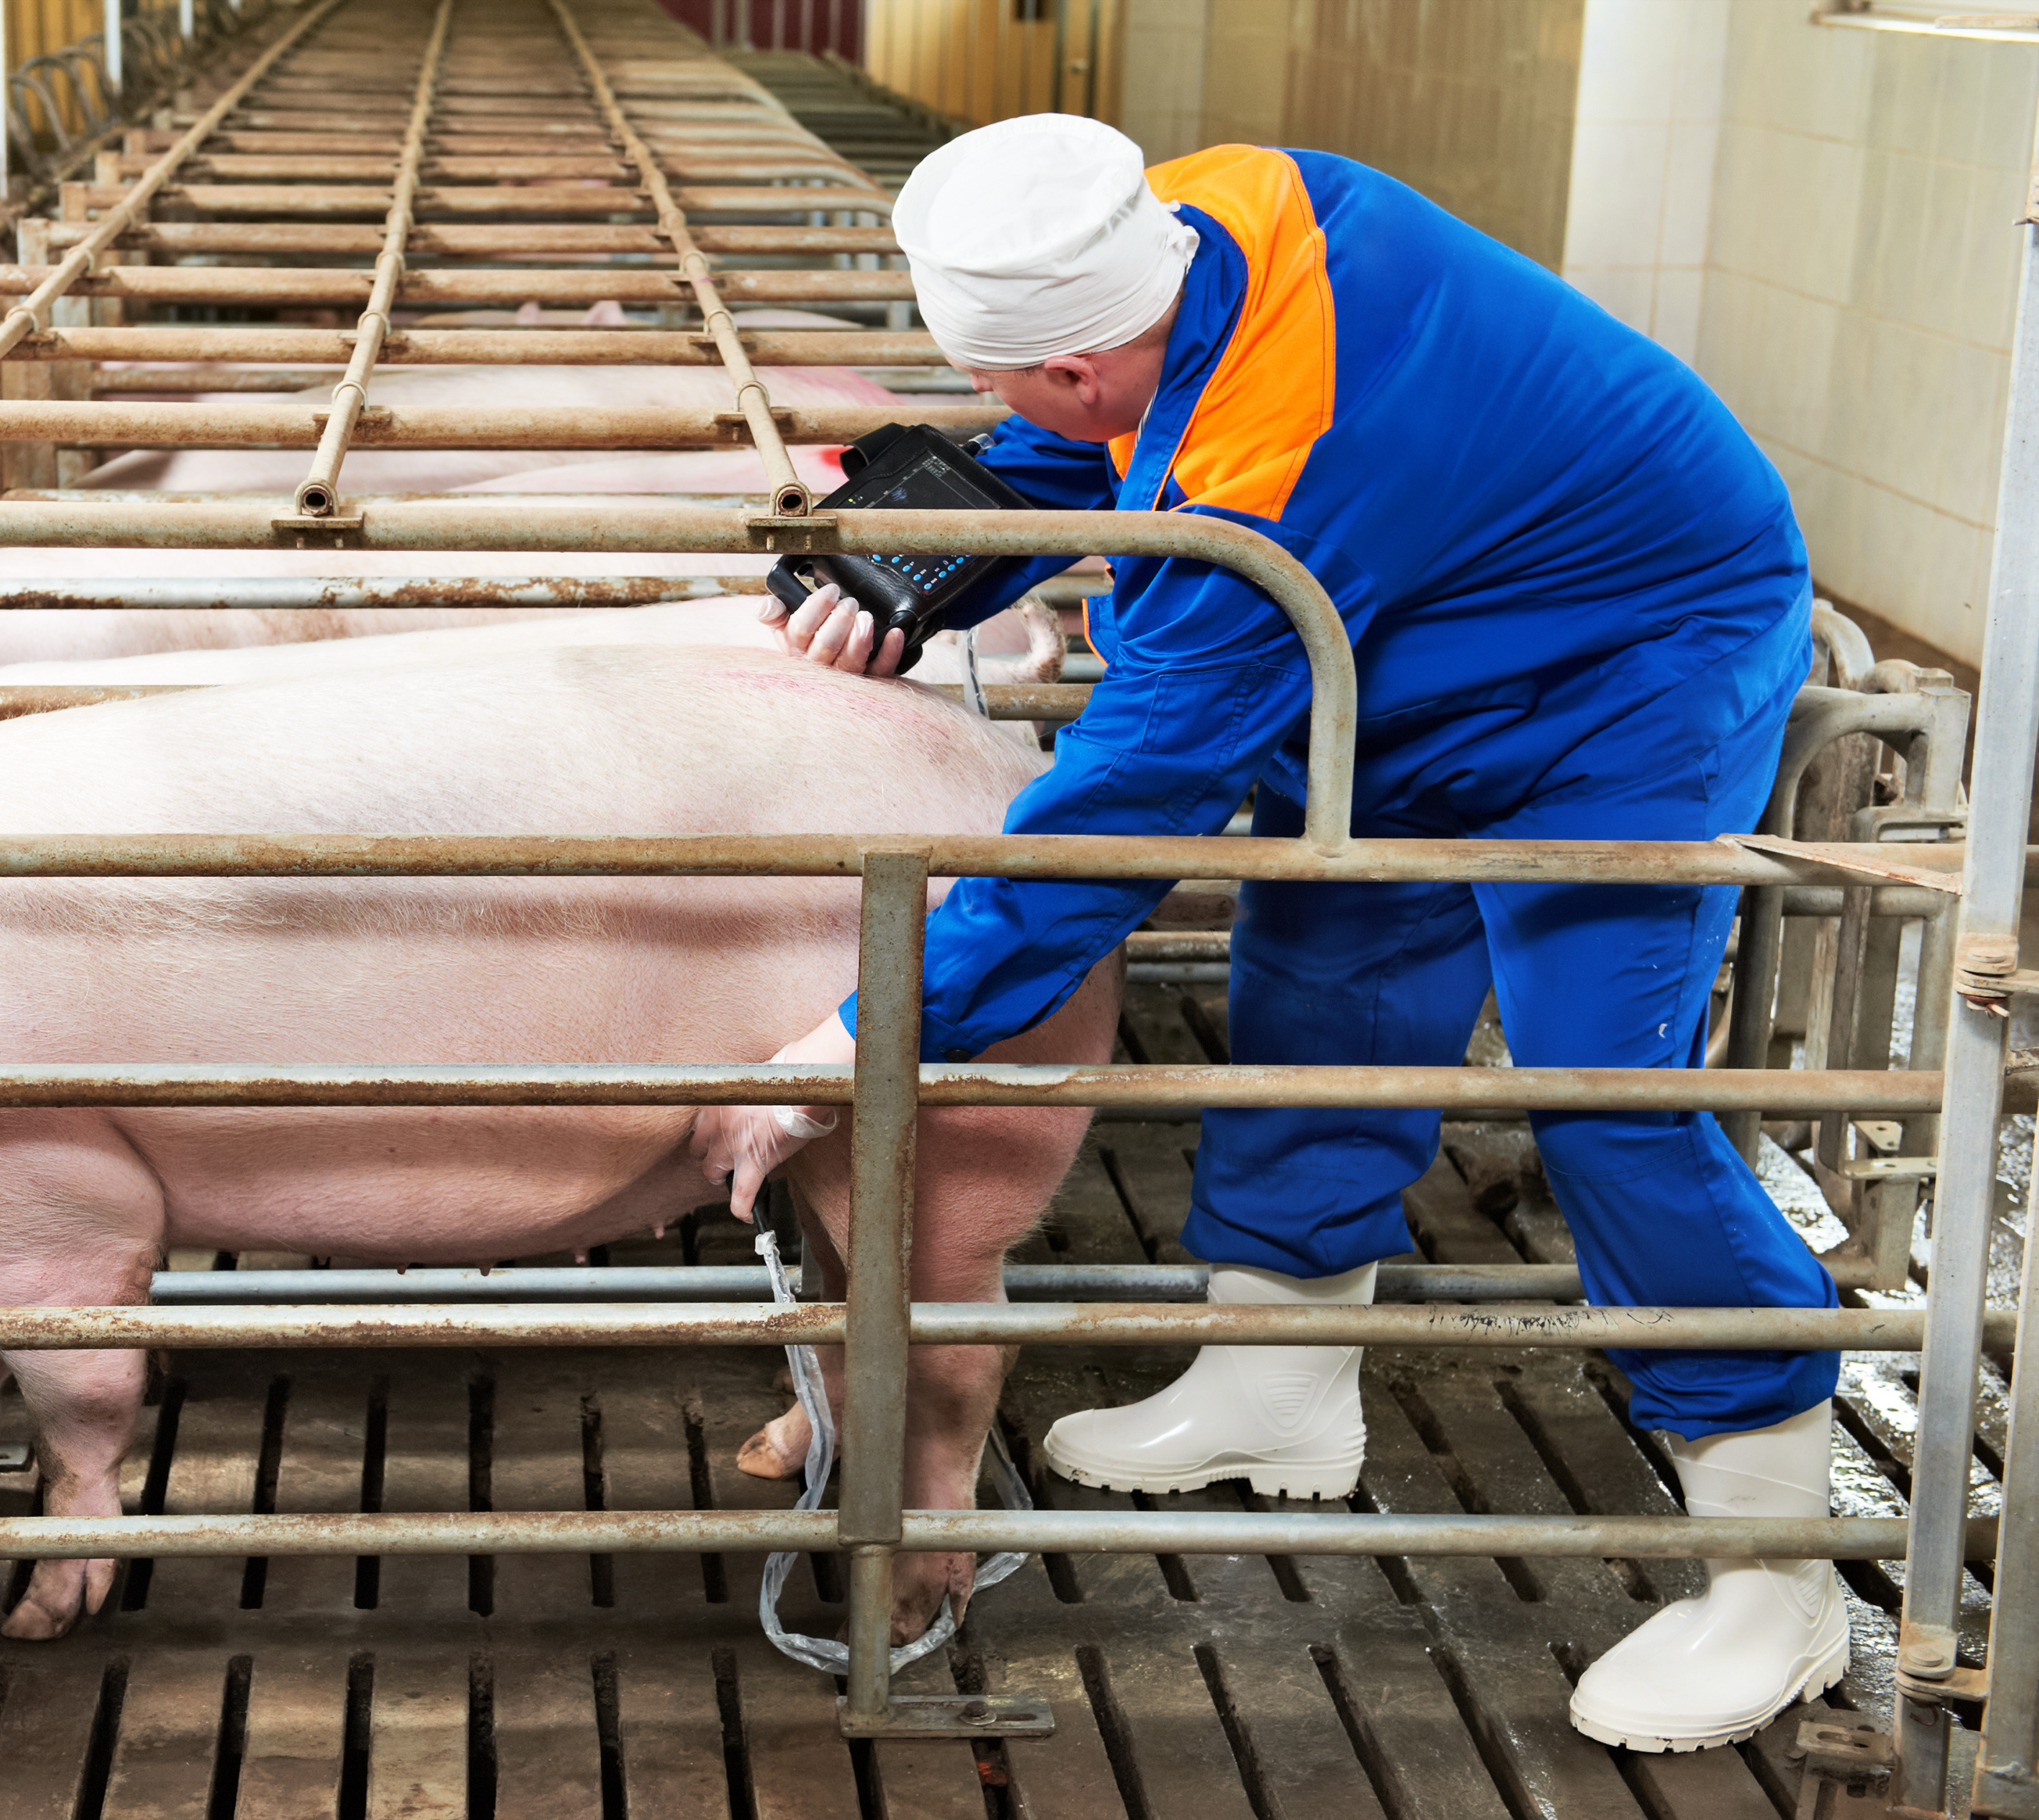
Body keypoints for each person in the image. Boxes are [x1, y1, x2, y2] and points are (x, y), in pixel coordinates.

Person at [689, 115, 1846, 1755]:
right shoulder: (1221, 204)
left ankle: (1772, 1558)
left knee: (1605, 1084)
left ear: (1074, 368)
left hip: (1630, 655)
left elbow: (1106, 830)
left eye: (1020, 389)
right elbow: (1106, 431)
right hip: (1419, 607)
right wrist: (915, 555)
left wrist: (860, 1034)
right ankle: (1277, 1375)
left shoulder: (1257, 500)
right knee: (1324, 967)